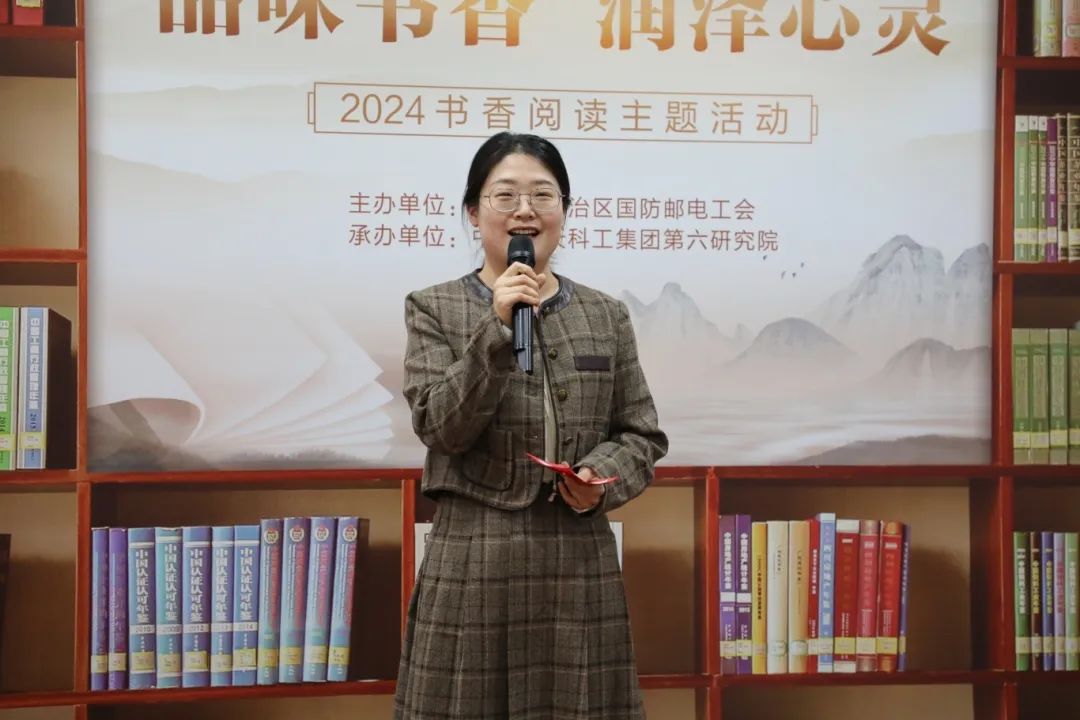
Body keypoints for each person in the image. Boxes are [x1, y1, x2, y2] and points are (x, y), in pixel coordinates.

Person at [394, 131, 669, 720]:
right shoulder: (434, 307)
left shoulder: (605, 315)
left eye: (543, 194)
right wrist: (495, 328)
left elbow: (641, 434)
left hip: (577, 557)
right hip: (476, 555)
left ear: (564, 211)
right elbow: (440, 428)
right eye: (505, 195)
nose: (525, 210)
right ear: (474, 212)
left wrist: (601, 479)